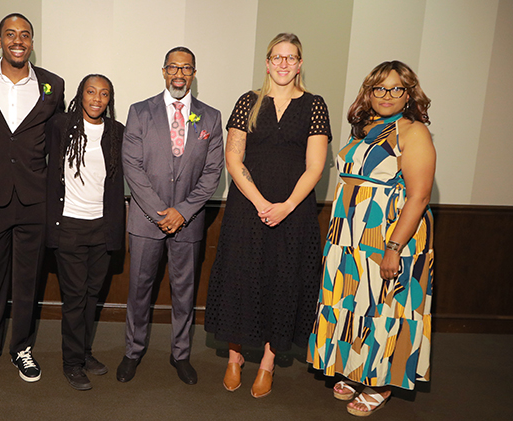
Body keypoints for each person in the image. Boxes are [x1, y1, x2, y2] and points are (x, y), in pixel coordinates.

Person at [204, 33, 331, 398]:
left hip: (295, 212)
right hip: (248, 208)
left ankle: (268, 363)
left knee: (284, 281)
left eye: (291, 58)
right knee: (240, 278)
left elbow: (315, 166)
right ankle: (235, 356)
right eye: (278, 57)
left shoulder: (314, 106)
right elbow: (233, 158)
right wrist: (261, 203)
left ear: (300, 63)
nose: (284, 64)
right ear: (267, 62)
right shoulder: (248, 102)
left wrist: (286, 206)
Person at [308, 61, 434, 416]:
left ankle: (380, 383)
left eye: (396, 89)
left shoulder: (413, 132)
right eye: (379, 88)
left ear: (409, 93)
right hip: (350, 233)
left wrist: (394, 247)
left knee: (384, 308)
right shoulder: (364, 127)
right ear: (369, 92)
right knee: (352, 301)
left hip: (388, 233)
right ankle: (355, 367)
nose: (387, 96)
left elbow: (419, 196)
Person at [0, 13, 65, 386]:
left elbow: (61, 136)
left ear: (31, 42)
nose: (17, 40)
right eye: (10, 34)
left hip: (35, 199)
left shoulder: (53, 84)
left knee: (27, 279)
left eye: (25, 35)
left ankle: (22, 347)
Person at [118, 46, 224, 385]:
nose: (180, 74)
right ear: (163, 71)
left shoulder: (210, 117)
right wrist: (161, 212)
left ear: (194, 73)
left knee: (184, 293)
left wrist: (182, 212)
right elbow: (131, 166)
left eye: (187, 68)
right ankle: (132, 352)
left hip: (189, 224)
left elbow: (212, 172)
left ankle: (180, 354)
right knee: (139, 291)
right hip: (145, 221)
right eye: (173, 67)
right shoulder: (139, 112)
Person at [44, 74, 125, 390]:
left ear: (109, 100)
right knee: (75, 298)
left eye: (104, 94)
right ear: (81, 94)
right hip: (70, 227)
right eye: (91, 91)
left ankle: (84, 352)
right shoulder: (61, 126)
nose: (97, 98)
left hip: (101, 228)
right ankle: (72, 362)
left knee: (92, 296)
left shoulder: (117, 132)